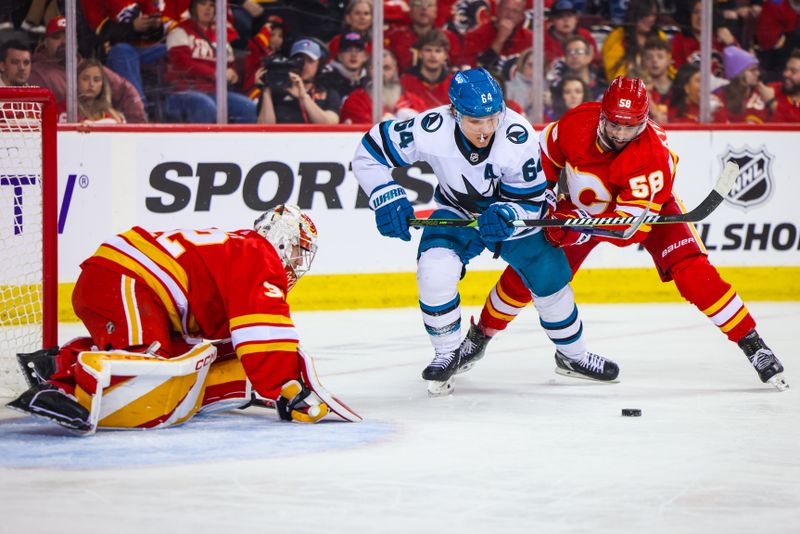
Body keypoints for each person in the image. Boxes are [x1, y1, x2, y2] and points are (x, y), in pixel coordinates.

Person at [457, 76, 789, 392]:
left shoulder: (652, 157)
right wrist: (547, 203)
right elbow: (543, 163)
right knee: (530, 271)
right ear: (602, 114)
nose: (619, 133)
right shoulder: (576, 122)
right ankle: (480, 336)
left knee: (694, 274)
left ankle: (753, 344)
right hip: (575, 211)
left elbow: (629, 231)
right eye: (613, 123)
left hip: (646, 212)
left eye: (629, 127)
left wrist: (575, 226)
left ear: (643, 121)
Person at [351, 67, 619, 396]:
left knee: (552, 282)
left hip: (514, 220)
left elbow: (533, 200)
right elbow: (369, 152)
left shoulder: (517, 134)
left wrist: (508, 211)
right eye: (476, 121)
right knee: (434, 271)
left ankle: (573, 356)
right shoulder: (430, 127)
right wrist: (384, 195)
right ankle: (447, 354)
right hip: (457, 212)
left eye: (493, 118)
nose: (486, 130)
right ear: (454, 113)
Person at [7, 204, 361, 433]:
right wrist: (287, 387)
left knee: (172, 354)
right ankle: (61, 387)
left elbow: (229, 336)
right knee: (147, 364)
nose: (298, 264)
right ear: (282, 240)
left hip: (121, 279)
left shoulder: (240, 250)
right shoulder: (259, 256)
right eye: (299, 251)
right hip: (127, 280)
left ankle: (54, 363)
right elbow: (262, 329)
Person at [28, 16, 147, 123]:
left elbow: (125, 90)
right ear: (45, 42)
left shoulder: (89, 68)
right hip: (53, 138)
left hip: (93, 136)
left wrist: (137, 127)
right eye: (56, 37)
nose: (64, 42)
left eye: (69, 37)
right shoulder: (33, 72)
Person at [164, 0, 257, 123]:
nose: (208, 9)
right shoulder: (179, 32)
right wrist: (217, 73)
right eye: (202, 4)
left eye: (212, 5)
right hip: (183, 92)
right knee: (206, 105)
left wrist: (232, 74)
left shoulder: (220, 36)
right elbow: (182, 64)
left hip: (214, 93)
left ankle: (236, 143)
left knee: (248, 106)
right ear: (193, 8)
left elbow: (230, 66)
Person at [79, 0, 170, 101]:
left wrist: (155, 26)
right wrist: (132, 27)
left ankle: (178, 102)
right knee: (124, 52)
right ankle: (137, 109)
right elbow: (102, 31)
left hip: (142, 47)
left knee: (170, 50)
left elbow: (153, 33)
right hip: (111, 49)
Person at [257, 37, 341, 124]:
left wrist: (303, 97)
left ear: (319, 65)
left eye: (310, 61)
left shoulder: (329, 94)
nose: (304, 65)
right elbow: (264, 131)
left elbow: (329, 126)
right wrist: (266, 92)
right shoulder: (275, 91)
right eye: (299, 60)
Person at [339, 48, 428, 124]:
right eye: (377, 68)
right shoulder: (355, 101)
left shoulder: (414, 102)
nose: (382, 73)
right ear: (369, 70)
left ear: (395, 70)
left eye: (387, 68)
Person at [385, 0, 462, 73]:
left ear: (436, 11)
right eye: (418, 4)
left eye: (429, 5)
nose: (424, 8)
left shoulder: (450, 38)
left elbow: (457, 68)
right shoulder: (395, 37)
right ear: (410, 10)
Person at [601, 0, 670, 81]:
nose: (651, 19)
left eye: (654, 14)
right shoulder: (617, 37)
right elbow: (614, 73)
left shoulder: (660, 36)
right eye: (645, 15)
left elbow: (669, 68)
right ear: (634, 15)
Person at [460, 0, 532, 70]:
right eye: (506, 9)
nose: (509, 15)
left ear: (521, 16)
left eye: (515, 11)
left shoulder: (530, 40)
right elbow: (476, 70)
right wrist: (500, 39)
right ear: (498, 10)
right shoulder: (475, 36)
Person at [399, 29, 455, 109]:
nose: (433, 55)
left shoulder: (454, 84)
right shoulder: (405, 81)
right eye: (428, 50)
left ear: (445, 55)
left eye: (438, 51)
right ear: (420, 54)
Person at [719, 45, 774, 124]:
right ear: (738, 74)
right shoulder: (720, 99)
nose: (758, 73)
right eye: (752, 70)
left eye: (757, 69)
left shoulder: (765, 93)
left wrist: (772, 103)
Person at [544, 0, 598, 69]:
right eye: (560, 17)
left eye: (569, 16)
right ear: (552, 20)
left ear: (576, 19)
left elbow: (595, 64)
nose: (566, 20)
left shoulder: (585, 36)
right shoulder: (543, 39)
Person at [317, 32, 369, 102]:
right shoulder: (327, 80)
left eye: (358, 50)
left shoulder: (371, 81)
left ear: (365, 56)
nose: (353, 55)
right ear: (339, 56)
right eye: (348, 50)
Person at [70, 58, 125, 124]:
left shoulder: (111, 113)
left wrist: (94, 124)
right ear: (76, 82)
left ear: (103, 85)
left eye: (96, 80)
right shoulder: (67, 108)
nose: (91, 84)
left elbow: (117, 124)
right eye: (85, 79)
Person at [767, 47, 800, 122]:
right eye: (786, 69)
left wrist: (773, 104)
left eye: (793, 71)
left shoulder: (770, 98)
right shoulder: (771, 90)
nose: (786, 74)